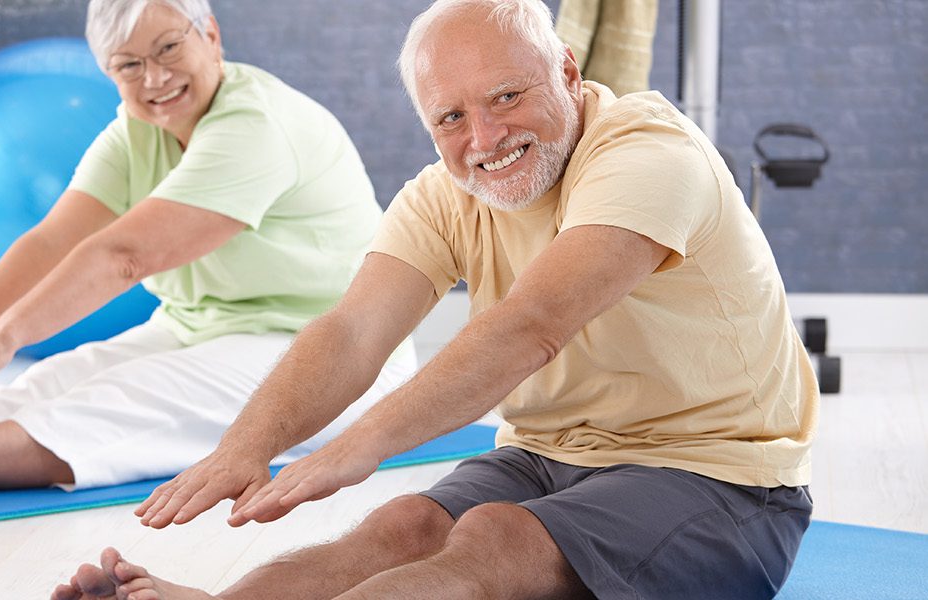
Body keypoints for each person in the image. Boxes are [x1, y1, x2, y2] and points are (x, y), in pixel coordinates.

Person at [54, 0, 818, 598]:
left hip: (723, 484)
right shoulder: (443, 195)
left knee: (497, 539)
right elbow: (355, 330)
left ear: (567, 70)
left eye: (508, 96)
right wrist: (248, 444)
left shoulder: (649, 156)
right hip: (548, 455)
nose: (483, 137)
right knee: (401, 526)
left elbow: (533, 325)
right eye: (450, 117)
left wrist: (361, 443)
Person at [0, 0, 415, 504]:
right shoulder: (135, 132)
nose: (154, 78)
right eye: (129, 66)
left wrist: (3, 339)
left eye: (167, 49)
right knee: (59, 377)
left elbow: (125, 256)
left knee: (140, 392)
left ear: (210, 34)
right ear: (109, 74)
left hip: (341, 354)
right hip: (210, 330)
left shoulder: (255, 126)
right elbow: (52, 239)